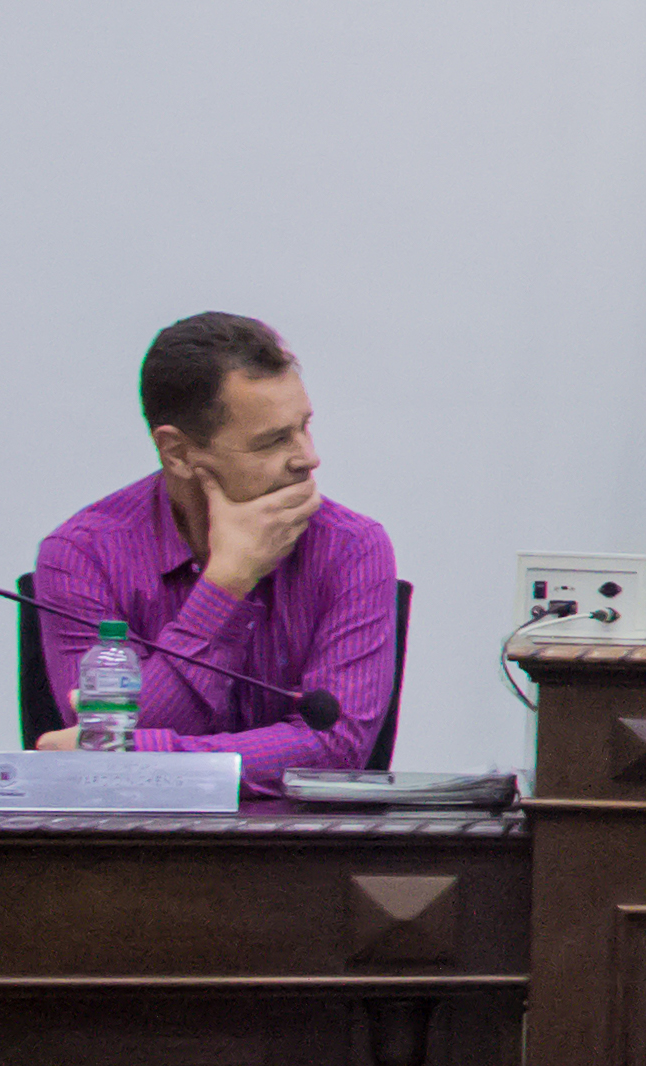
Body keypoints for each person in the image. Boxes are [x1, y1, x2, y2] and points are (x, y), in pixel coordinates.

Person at [28, 311, 397, 796]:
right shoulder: (80, 556)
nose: (308, 456)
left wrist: (146, 756)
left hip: (300, 858)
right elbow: (107, 768)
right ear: (178, 452)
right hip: (133, 856)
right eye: (272, 441)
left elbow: (335, 748)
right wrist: (225, 586)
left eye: (304, 426)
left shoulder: (352, 548)